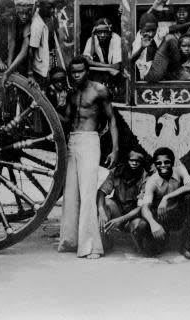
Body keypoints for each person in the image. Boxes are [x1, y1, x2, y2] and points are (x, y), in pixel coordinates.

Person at [58, 56, 119, 258]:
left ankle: (92, 246)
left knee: (87, 193)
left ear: (87, 71)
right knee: (71, 193)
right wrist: (55, 106)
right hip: (72, 141)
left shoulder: (99, 90)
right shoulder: (71, 92)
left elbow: (112, 120)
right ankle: (71, 241)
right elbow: (67, 120)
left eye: (80, 71)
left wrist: (115, 149)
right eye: (73, 72)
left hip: (90, 141)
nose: (76, 75)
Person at [134, 147, 190, 258]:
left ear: (173, 163)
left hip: (179, 214)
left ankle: (186, 245)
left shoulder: (180, 170)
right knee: (151, 251)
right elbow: (145, 207)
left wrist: (166, 198)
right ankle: (163, 240)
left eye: (166, 162)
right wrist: (153, 223)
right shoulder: (152, 181)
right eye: (159, 163)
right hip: (163, 216)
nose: (163, 165)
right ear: (155, 165)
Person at [97, 149, 148, 252]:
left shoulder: (145, 176)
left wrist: (121, 220)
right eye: (131, 160)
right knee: (106, 203)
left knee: (141, 225)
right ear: (126, 160)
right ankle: (104, 238)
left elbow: (142, 206)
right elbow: (102, 192)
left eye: (138, 161)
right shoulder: (116, 171)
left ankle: (139, 240)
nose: (134, 163)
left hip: (134, 215)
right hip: (118, 209)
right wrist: (101, 210)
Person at [28, 0, 66, 85]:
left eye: (54, 7)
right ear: (39, 6)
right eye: (49, 7)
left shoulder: (50, 18)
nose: (53, 10)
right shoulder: (37, 25)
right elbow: (31, 50)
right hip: (40, 65)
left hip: (50, 57)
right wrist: (30, 74)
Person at [82, 18, 122, 82]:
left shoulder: (116, 39)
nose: (102, 35)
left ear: (110, 32)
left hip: (115, 77)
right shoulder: (92, 39)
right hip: (101, 75)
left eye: (105, 32)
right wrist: (110, 67)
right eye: (99, 32)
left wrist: (92, 63)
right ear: (96, 32)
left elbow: (117, 66)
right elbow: (86, 61)